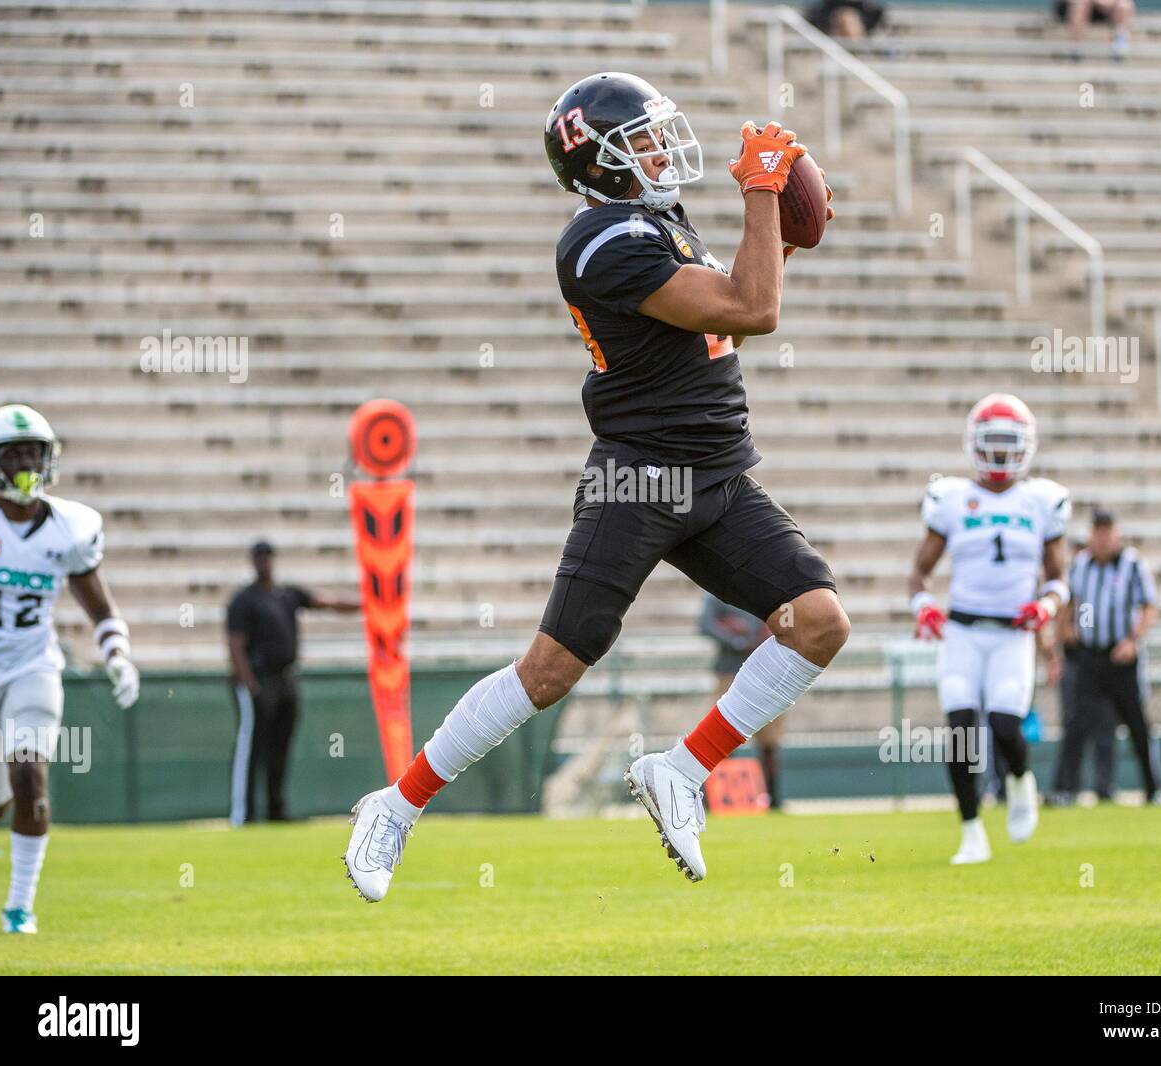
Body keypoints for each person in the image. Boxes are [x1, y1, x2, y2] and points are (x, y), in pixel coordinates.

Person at [343, 72, 846, 902]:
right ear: (603, 163)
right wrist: (762, 193)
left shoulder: (654, 222)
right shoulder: (601, 243)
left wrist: (778, 240)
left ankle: (680, 770)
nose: (659, 150)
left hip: (717, 472)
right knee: (549, 671)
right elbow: (753, 311)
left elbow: (726, 322)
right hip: (639, 479)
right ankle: (395, 806)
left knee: (818, 624)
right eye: (640, 140)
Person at [0, 404, 140, 934]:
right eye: (14, 453)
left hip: (31, 664)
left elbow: (99, 604)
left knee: (30, 773)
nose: (26, 461)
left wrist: (117, 652)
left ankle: (20, 907)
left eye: (34, 452)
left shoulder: (70, 527)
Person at [909, 394, 1071, 865]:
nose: (1000, 454)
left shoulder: (1042, 501)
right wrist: (923, 606)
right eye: (992, 443)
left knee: (1004, 725)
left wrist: (1047, 604)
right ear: (974, 444)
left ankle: (1021, 780)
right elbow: (919, 572)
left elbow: (1059, 576)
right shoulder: (953, 498)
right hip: (962, 632)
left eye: (1008, 443)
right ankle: (971, 831)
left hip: (1012, 634)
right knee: (960, 730)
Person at [226, 540, 357, 825]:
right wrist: (250, 684)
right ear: (253, 562)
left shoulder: (287, 595)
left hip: (286, 679)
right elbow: (236, 645)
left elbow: (327, 602)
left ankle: (277, 810)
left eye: (268, 557)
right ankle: (244, 813)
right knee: (252, 747)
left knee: (280, 747)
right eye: (259, 558)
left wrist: (367, 604)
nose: (265, 563)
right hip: (260, 680)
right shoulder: (244, 600)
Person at [1056, 511, 1161, 804]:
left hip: (1121, 656)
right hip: (1090, 656)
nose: (1102, 539)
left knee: (1137, 723)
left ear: (1116, 534)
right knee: (1076, 723)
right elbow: (1070, 602)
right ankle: (1066, 788)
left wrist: (1132, 641)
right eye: (1097, 532)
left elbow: (1148, 607)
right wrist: (1064, 630)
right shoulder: (1081, 565)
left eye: (1107, 532)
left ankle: (1153, 789)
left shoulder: (1133, 564)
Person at [699, 594, 780, 807]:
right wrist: (737, 640)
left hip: (764, 673)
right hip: (729, 672)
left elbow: (783, 622)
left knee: (770, 740)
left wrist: (767, 637)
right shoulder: (717, 593)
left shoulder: (766, 590)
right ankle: (718, 796)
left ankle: (773, 797)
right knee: (722, 735)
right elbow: (705, 624)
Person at [1054, 0, 1134, 61]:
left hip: (1102, 8)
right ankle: (1074, 48)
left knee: (1124, 4)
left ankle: (1119, 47)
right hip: (1071, 8)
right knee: (1082, 3)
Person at [805, 0, 886, 42]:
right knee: (847, 16)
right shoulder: (829, 7)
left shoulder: (868, 9)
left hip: (857, 40)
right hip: (835, 38)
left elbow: (876, 17)